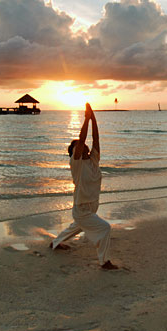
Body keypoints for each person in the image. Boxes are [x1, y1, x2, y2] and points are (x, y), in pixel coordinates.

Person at [50, 103, 117, 270]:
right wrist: (86, 119)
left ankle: (55, 242)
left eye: (81, 146)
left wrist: (93, 118)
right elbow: (82, 139)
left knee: (76, 227)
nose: (82, 146)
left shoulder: (93, 160)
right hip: (81, 209)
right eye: (76, 147)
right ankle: (104, 262)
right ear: (74, 152)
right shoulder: (77, 163)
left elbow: (96, 138)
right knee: (105, 228)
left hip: (91, 207)